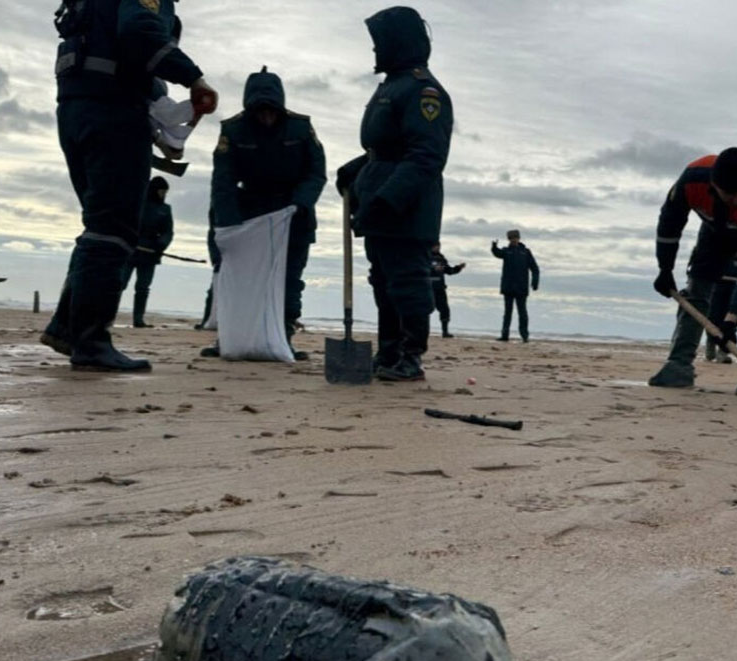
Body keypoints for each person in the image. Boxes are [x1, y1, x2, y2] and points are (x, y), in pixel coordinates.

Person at [42, 0, 217, 371]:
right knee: (113, 230)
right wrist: (193, 77)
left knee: (99, 225)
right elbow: (140, 32)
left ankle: (66, 329)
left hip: (76, 110)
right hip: (112, 114)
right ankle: (91, 342)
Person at [336, 6, 452, 382]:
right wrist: (356, 171)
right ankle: (388, 351)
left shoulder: (423, 90)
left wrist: (389, 199)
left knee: (407, 281)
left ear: (399, 43)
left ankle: (410, 356)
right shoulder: (391, 86)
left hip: (407, 206)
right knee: (382, 280)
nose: (374, 52)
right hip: (376, 197)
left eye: (380, 43)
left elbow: (426, 156)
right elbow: (384, 148)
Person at [206, 67, 326, 361]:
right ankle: (231, 336)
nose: (266, 117)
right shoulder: (232, 130)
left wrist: (300, 204)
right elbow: (223, 180)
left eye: (271, 111)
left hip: (293, 214)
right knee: (242, 278)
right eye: (259, 111)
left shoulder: (301, 128)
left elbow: (316, 173)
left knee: (290, 279)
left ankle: (283, 335)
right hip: (250, 212)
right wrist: (228, 224)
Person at [648, 148, 737, 396]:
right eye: (729, 194)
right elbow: (670, 224)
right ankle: (679, 365)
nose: (735, 199)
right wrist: (665, 268)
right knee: (697, 287)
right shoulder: (692, 180)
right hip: (715, 227)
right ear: (714, 183)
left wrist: (731, 318)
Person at [121, 176, 173, 328]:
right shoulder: (138, 203)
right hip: (131, 251)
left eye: (165, 192)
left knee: (143, 288)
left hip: (151, 254)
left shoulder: (165, 209)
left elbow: (168, 232)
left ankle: (138, 319)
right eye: (161, 191)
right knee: (120, 284)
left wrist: (161, 245)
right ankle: (106, 315)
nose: (163, 194)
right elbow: (127, 222)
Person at [491, 229, 540, 342]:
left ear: (518, 238)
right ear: (509, 239)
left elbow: (534, 268)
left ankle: (524, 336)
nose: (513, 240)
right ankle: (504, 335)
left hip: (522, 287)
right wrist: (494, 247)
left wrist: (535, 281)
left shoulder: (526, 252)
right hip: (508, 287)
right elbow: (497, 253)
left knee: (522, 313)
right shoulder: (506, 251)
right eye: (511, 238)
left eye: (515, 238)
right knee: (507, 312)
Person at [429, 241, 465, 338]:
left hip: (440, 288)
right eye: (435, 246)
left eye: (438, 246)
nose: (437, 248)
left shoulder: (441, 259)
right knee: (426, 309)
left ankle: (445, 331)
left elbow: (449, 271)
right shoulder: (425, 257)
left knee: (444, 310)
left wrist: (458, 268)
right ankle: (423, 330)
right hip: (428, 288)